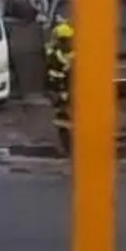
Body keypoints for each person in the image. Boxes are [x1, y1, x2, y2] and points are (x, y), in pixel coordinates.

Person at [45, 22, 74, 154]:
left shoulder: (70, 53)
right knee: (63, 118)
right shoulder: (55, 56)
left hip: (68, 91)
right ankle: (66, 145)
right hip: (60, 91)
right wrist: (61, 91)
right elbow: (54, 76)